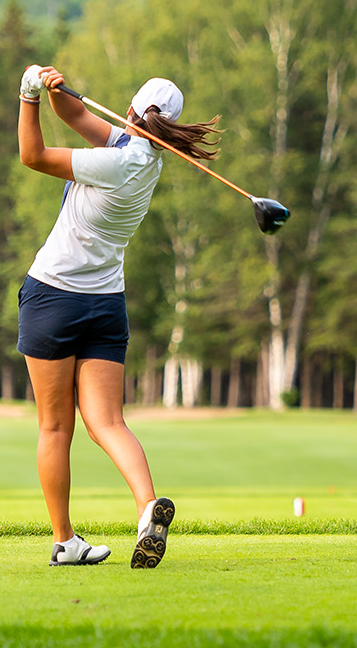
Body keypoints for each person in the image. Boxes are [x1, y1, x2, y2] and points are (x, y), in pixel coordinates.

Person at [14, 64, 217, 568]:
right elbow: (80, 115)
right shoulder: (146, 159)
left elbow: (32, 155)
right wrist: (56, 91)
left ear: (131, 111)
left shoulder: (115, 162)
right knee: (108, 420)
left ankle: (65, 540)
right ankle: (148, 507)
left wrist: (27, 96)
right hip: (105, 304)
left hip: (53, 297)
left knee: (55, 429)